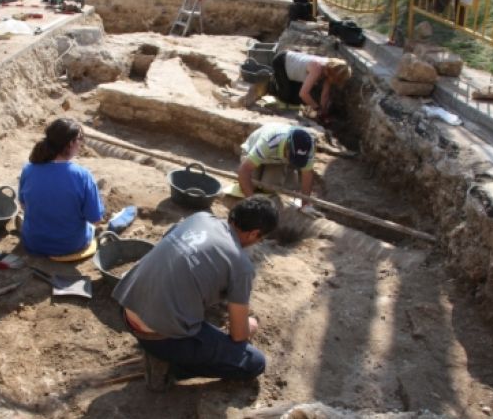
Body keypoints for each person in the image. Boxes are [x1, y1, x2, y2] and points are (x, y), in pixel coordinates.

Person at [112, 196, 279, 391]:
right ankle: (169, 369)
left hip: (126, 307)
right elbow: (238, 335)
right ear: (254, 234)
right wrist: (250, 326)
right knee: (254, 362)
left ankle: (166, 350)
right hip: (159, 338)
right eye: (261, 238)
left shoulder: (200, 218)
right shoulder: (241, 265)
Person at [18, 118, 105, 256]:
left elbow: (23, 205)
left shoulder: (28, 169)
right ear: (71, 143)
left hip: (33, 242)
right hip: (70, 245)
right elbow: (96, 219)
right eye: (80, 139)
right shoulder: (82, 175)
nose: (81, 144)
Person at [237, 123, 315, 202]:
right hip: (252, 153)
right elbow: (244, 170)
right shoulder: (269, 141)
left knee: (269, 189)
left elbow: (307, 174)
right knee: (251, 185)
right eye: (292, 157)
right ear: (287, 147)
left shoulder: (308, 146)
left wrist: (305, 205)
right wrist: (251, 201)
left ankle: (280, 174)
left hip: (275, 161)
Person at [270, 50, 352, 124]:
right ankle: (273, 82)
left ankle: (284, 82)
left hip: (295, 72)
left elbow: (325, 94)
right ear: (334, 74)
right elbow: (303, 94)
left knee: (298, 100)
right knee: (285, 97)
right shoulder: (317, 68)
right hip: (281, 63)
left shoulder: (329, 70)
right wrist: (316, 108)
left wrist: (323, 111)